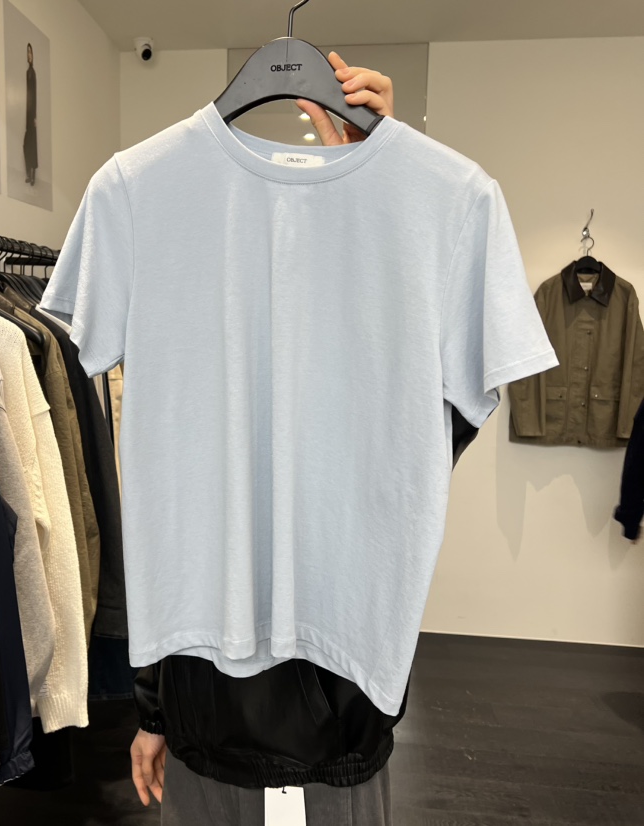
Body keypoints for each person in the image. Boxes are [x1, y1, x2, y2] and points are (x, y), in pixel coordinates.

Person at [129, 53, 476, 826]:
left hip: (299, 718)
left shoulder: (416, 251)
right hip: (265, 717)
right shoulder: (151, 223)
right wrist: (154, 711)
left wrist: (383, 194)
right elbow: (163, 510)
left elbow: (424, 442)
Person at [24, 42, 38, 186]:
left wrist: (34, 117)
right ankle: (29, 174)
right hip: (28, 115)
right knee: (27, 145)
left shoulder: (32, 73)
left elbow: (34, 96)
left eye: (30, 52)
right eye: (27, 52)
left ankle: (32, 176)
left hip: (32, 115)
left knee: (32, 146)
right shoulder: (28, 72)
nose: (29, 55)